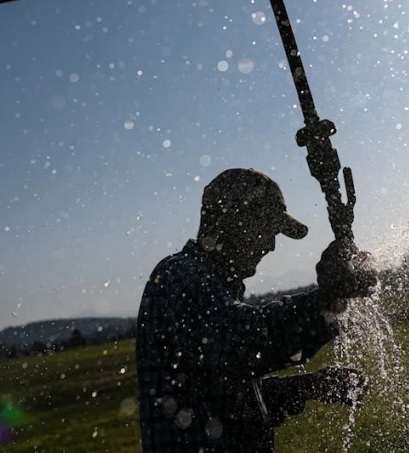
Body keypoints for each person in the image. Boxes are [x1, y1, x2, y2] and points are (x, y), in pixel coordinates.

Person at [136, 168, 378, 452]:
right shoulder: (181, 276)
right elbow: (242, 345)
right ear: (233, 221)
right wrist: (324, 303)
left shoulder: (207, 283)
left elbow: (228, 397)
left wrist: (307, 386)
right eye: (266, 229)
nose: (271, 245)